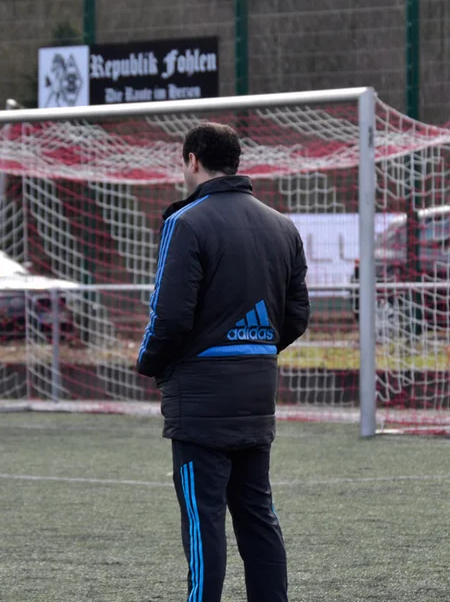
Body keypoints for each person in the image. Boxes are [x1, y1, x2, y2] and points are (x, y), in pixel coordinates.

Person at [136, 123, 310, 602]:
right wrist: (253, 349)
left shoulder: (186, 222)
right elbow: (297, 316)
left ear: (192, 160)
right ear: (235, 162)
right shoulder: (282, 225)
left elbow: (169, 317)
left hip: (201, 400)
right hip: (256, 392)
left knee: (203, 521)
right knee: (257, 515)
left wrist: (149, 362)